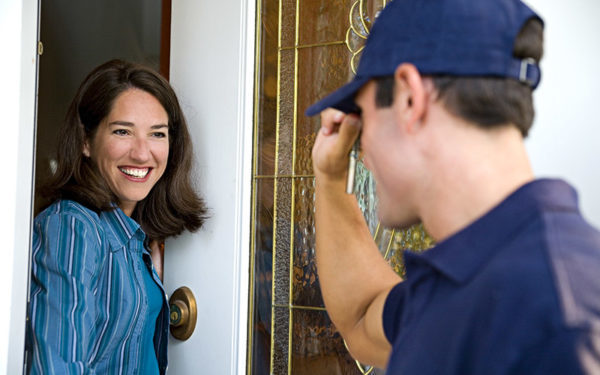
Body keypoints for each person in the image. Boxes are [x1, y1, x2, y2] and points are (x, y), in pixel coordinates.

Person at [306, 0, 600, 374]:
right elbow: (361, 317)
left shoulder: (563, 321)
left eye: (362, 120)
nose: (362, 152)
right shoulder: (468, 276)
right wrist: (331, 178)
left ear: (410, 98)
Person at [27, 59, 207, 374]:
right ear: (86, 141)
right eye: (122, 131)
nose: (141, 153)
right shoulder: (72, 226)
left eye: (157, 134)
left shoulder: (133, 239)